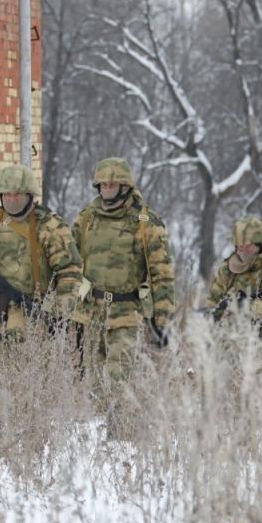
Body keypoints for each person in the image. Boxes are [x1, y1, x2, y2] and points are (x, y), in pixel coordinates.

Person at [0, 164, 81, 455]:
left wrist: (56, 312)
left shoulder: (51, 227)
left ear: (30, 196)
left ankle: (30, 454)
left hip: (35, 323)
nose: (12, 200)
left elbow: (71, 272)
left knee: (31, 393)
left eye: (19, 194)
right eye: (7, 194)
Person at [72, 158, 175, 435]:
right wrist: (67, 311)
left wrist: (161, 320)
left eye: (112, 184)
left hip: (127, 310)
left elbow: (162, 274)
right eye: (102, 184)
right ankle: (107, 431)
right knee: (92, 379)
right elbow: (70, 265)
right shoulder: (86, 219)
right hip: (91, 310)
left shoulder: (145, 222)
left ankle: (123, 437)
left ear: (125, 186)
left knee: (119, 377)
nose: (106, 189)